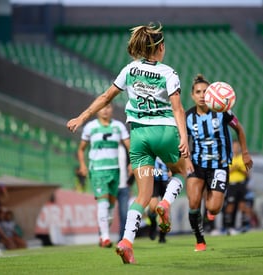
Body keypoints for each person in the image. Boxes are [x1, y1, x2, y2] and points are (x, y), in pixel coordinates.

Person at [67, 23, 189, 264]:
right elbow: (178, 109)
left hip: (138, 137)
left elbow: (105, 97)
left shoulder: (130, 70)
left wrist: (81, 117)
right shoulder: (168, 73)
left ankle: (126, 242)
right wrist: (183, 137)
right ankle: (165, 203)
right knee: (184, 171)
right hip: (164, 132)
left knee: (142, 197)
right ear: (160, 48)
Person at [185, 74, 253, 252]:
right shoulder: (187, 117)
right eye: (198, 92)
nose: (201, 95)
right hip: (197, 165)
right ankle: (200, 240)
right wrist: (183, 161)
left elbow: (239, 128)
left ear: (211, 94)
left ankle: (210, 210)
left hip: (219, 165)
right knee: (193, 203)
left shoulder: (222, 111)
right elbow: (183, 142)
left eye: (205, 91)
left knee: (214, 209)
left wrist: (245, 153)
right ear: (192, 95)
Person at [77, 103, 130, 248]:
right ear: (97, 110)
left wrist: (132, 162)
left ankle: (105, 228)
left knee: (111, 208)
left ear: (112, 109)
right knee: (103, 202)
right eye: (102, 108)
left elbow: (129, 146)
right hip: (98, 170)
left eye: (108, 107)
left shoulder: (119, 126)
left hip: (115, 170)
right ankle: (105, 237)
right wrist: (82, 165)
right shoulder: (90, 127)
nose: (105, 110)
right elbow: (81, 149)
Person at [224, 140, 251, 235]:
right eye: (234, 146)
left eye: (237, 146)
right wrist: (234, 169)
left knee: (242, 205)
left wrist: (239, 169)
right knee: (230, 205)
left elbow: (248, 174)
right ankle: (228, 227)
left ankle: (245, 226)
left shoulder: (243, 158)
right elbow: (225, 172)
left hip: (241, 184)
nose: (235, 148)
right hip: (232, 185)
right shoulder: (228, 158)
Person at [148, 157, 170, 243]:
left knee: (165, 209)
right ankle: (153, 223)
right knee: (153, 207)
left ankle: (162, 236)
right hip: (154, 179)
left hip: (166, 179)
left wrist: (172, 170)